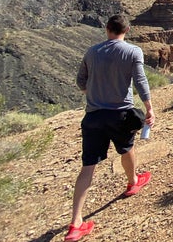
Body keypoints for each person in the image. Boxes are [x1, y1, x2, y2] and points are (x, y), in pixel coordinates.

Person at [66, 14, 155, 241]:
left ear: (107, 29)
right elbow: (140, 81)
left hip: (94, 116)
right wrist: (149, 108)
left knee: (87, 167)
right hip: (120, 114)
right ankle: (133, 182)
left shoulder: (91, 51)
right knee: (126, 148)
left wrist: (95, 94)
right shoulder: (133, 51)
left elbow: (80, 82)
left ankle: (76, 224)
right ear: (127, 30)